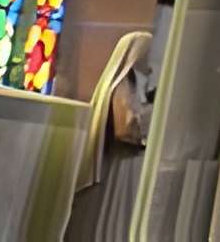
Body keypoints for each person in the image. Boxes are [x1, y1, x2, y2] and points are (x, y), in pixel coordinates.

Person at [64, 29, 154, 242]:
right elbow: (123, 128)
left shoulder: (136, 85)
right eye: (146, 53)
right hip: (121, 160)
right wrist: (145, 126)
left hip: (130, 162)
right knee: (112, 210)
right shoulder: (121, 84)